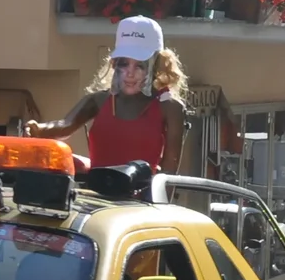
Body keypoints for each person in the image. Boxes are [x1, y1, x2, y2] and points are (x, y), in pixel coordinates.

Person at [21, 16, 188, 174]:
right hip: (95, 200)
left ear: (156, 66)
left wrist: (157, 204)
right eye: (124, 64)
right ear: (114, 65)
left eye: (139, 66)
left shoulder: (170, 107)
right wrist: (39, 129)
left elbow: (169, 173)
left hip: (142, 203)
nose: (129, 73)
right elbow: (66, 125)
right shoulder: (98, 100)